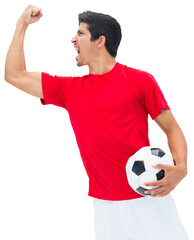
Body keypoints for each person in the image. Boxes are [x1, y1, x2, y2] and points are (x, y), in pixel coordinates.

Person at [5, 5, 189, 240]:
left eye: (80, 33)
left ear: (100, 41)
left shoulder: (140, 81)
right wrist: (22, 24)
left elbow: (171, 127)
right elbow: (14, 74)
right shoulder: (69, 89)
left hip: (149, 199)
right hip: (105, 208)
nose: (73, 39)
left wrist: (181, 167)